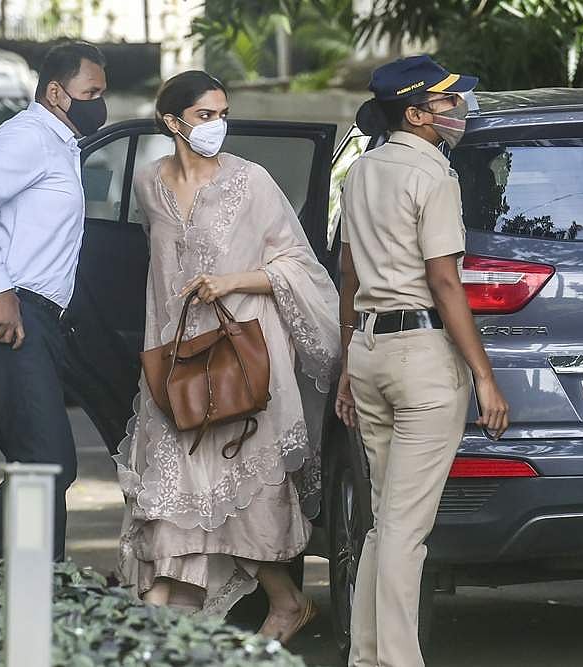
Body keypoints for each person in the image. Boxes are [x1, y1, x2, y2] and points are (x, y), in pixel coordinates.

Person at [114, 70, 340, 642]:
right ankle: (166, 624)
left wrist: (231, 281)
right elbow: (158, 277)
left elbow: (298, 265)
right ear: (173, 122)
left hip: (242, 365)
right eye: (205, 115)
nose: (217, 125)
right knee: (170, 493)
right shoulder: (148, 184)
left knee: (243, 493)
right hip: (177, 366)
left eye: (222, 114)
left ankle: (283, 604)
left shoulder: (251, 181)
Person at [335, 55, 510, 667]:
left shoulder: (361, 171)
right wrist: (484, 377)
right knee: (405, 531)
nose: (458, 110)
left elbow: (349, 274)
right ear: (415, 115)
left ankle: (368, 657)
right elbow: (444, 280)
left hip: (369, 351)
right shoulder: (434, 175)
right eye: (447, 102)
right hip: (422, 357)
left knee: (385, 523)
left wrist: (347, 365)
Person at [0, 41, 108, 561]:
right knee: (47, 464)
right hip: (9, 319)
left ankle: (37, 583)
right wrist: (2, 291)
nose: (99, 103)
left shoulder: (63, 145)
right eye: (91, 93)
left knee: (39, 465)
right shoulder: (30, 136)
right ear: (56, 92)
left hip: (40, 320)